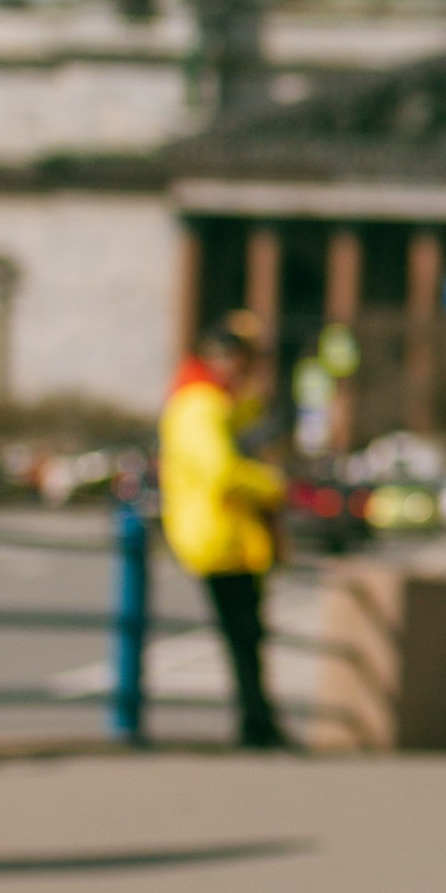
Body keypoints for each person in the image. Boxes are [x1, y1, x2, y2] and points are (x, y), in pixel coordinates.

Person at [158, 313, 289, 751]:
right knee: (243, 635)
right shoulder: (199, 403)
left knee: (247, 635)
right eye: (239, 356)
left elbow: (244, 428)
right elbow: (221, 471)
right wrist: (273, 484)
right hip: (218, 536)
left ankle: (259, 720)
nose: (243, 365)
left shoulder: (216, 400)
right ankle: (256, 724)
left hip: (230, 536)